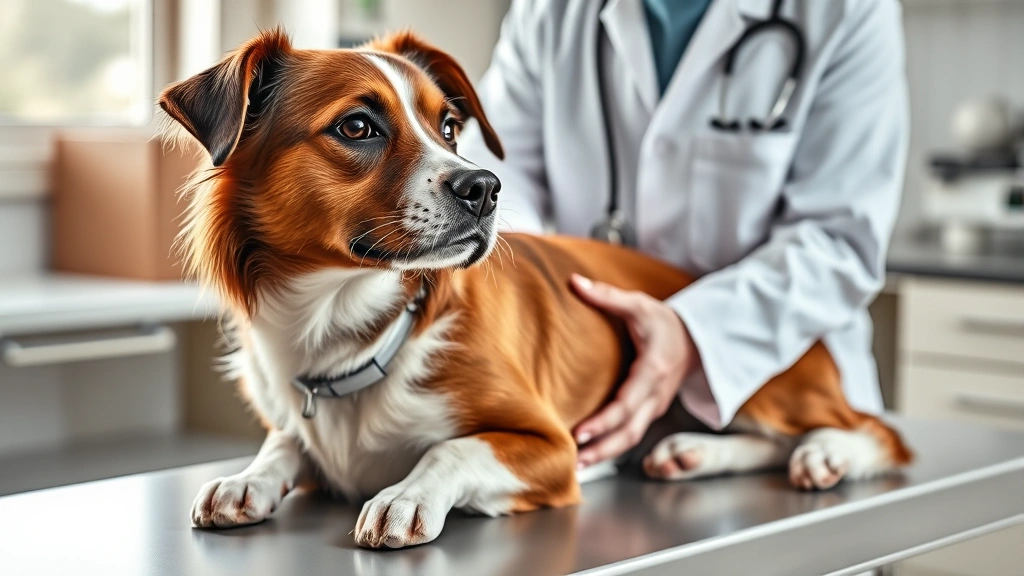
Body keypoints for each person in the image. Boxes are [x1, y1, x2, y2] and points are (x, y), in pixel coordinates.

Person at [457, 0, 908, 469]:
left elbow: (838, 239)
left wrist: (693, 333)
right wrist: (520, 295)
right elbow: (495, 172)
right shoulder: (552, 11)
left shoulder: (845, 9)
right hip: (601, 391)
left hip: (778, 384)